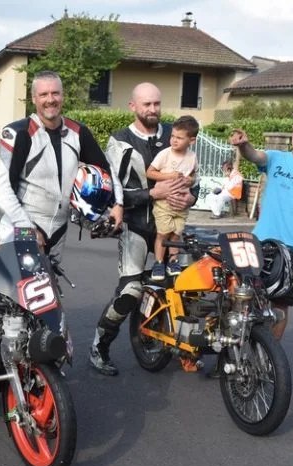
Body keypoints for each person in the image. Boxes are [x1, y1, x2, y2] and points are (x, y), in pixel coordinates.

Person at [89, 82, 197, 376]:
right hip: (136, 225)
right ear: (133, 106)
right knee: (130, 291)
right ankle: (99, 346)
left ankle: (183, 347)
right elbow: (111, 191)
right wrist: (151, 194)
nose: (152, 109)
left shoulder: (176, 133)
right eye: (146, 104)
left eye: (156, 103)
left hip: (171, 225)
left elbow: (194, 179)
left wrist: (192, 197)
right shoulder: (120, 141)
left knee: (185, 286)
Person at [0, 70, 123, 265]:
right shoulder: (18, 133)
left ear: (62, 96)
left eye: (55, 93)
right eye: (43, 94)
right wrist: (27, 228)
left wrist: (118, 203)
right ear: (34, 98)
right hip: (22, 227)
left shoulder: (78, 132)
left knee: (53, 284)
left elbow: (106, 168)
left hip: (59, 230)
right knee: (23, 285)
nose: (50, 100)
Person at [229, 115, 293, 340]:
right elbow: (254, 155)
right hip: (259, 243)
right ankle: (236, 349)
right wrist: (244, 145)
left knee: (280, 307)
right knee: (242, 297)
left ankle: (269, 355)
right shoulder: (276, 158)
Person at [146, 115, 199, 281]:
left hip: (182, 205)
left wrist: (190, 180)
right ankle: (159, 262)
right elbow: (150, 172)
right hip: (164, 202)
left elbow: (193, 176)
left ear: (191, 140)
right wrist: (170, 176)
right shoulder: (165, 154)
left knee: (176, 234)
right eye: (172, 136)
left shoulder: (192, 157)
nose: (174, 140)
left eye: (179, 138)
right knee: (163, 233)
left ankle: (173, 261)